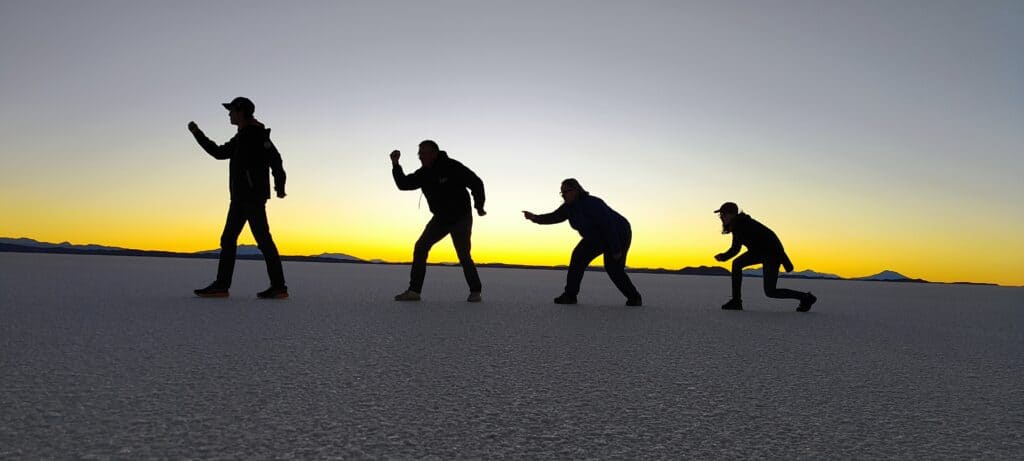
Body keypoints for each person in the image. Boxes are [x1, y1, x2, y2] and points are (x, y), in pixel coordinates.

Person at [188, 97, 288, 299]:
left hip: (252, 197)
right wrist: (198, 134)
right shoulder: (240, 138)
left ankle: (279, 287)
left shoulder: (258, 136)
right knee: (229, 239)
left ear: (241, 111)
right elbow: (218, 152)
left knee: (263, 240)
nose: (229, 114)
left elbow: (276, 160)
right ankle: (222, 286)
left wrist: (279, 186)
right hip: (240, 197)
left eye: (231, 110)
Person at [390, 140, 486, 302]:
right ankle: (414, 291)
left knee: (463, 254)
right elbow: (404, 184)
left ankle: (475, 291)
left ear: (434, 153)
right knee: (421, 247)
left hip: (461, 217)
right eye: (419, 153)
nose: (420, 156)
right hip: (441, 219)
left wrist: (479, 205)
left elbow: (476, 182)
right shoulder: (424, 173)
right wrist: (395, 164)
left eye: (423, 153)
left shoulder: (452, 167)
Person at [523, 179, 642, 306]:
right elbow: (554, 217)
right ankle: (570, 296)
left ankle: (634, 298)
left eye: (566, 191)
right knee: (577, 258)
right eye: (561, 192)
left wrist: (616, 249)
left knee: (613, 268)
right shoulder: (568, 208)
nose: (563, 195)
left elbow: (608, 225)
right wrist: (535, 218)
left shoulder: (593, 203)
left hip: (618, 234)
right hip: (594, 238)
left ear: (576, 190)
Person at [713, 202, 816, 311]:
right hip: (759, 253)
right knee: (737, 264)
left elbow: (771, 239)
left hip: (771, 255)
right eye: (721, 215)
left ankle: (805, 297)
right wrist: (724, 257)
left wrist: (785, 261)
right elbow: (736, 248)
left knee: (770, 291)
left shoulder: (744, 224)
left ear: (732, 214)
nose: (721, 217)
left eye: (723, 214)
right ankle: (736, 301)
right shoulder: (738, 225)